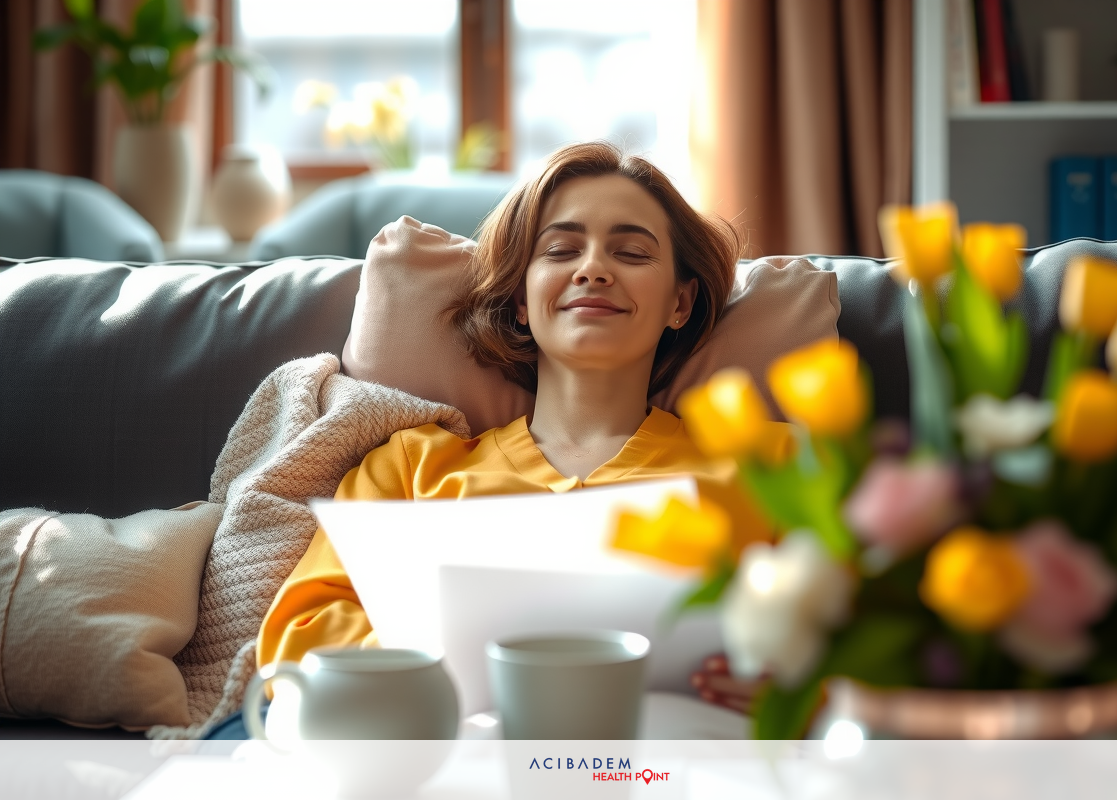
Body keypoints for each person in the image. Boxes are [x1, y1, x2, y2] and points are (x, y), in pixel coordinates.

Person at [256, 141, 780, 713]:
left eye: (631, 253)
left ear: (681, 301)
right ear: (522, 301)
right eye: (560, 250)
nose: (593, 268)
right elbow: (297, 637)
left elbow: (862, 635)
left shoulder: (766, 465)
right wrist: (426, 662)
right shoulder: (409, 467)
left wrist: (800, 684)